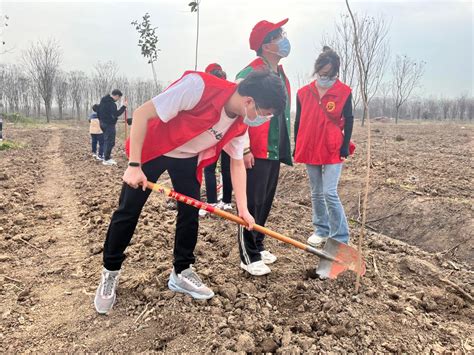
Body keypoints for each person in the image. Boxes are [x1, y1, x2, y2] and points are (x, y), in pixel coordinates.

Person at [94, 69, 286, 314]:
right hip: (154, 149)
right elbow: (142, 114)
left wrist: (245, 210)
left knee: (190, 213)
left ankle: (181, 272)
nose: (263, 119)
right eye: (264, 113)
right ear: (249, 101)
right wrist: (134, 165)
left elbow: (237, 163)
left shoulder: (239, 124)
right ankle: (110, 272)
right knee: (128, 211)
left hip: (186, 158)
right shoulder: (198, 87)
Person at [235, 19, 292, 276]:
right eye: (280, 35)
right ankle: (248, 255)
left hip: (273, 147)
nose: (284, 39)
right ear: (267, 44)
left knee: (266, 200)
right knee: (251, 201)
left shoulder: (281, 74)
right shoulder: (250, 73)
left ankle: (258, 243)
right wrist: (244, 148)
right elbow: (237, 113)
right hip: (254, 147)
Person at [294, 46, 355, 248]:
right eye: (321, 72)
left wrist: (345, 145)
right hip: (310, 144)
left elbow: (350, 118)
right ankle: (321, 229)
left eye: (328, 73)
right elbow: (299, 121)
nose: (324, 76)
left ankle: (340, 236)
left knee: (329, 192)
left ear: (335, 71)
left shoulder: (344, 92)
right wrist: (297, 144)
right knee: (316, 192)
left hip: (332, 146)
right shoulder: (304, 93)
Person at [200, 63, 233, 217]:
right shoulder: (231, 90)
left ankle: (212, 202)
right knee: (227, 169)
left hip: (213, 136)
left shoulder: (209, 91)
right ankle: (226, 202)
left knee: (209, 169)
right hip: (228, 137)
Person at [98, 89, 127, 166]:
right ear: (117, 96)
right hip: (108, 124)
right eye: (119, 98)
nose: (118, 100)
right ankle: (106, 159)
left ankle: (106, 157)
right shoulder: (111, 104)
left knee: (107, 140)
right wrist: (124, 106)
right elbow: (116, 114)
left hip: (102, 123)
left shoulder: (103, 101)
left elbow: (98, 110)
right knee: (110, 142)